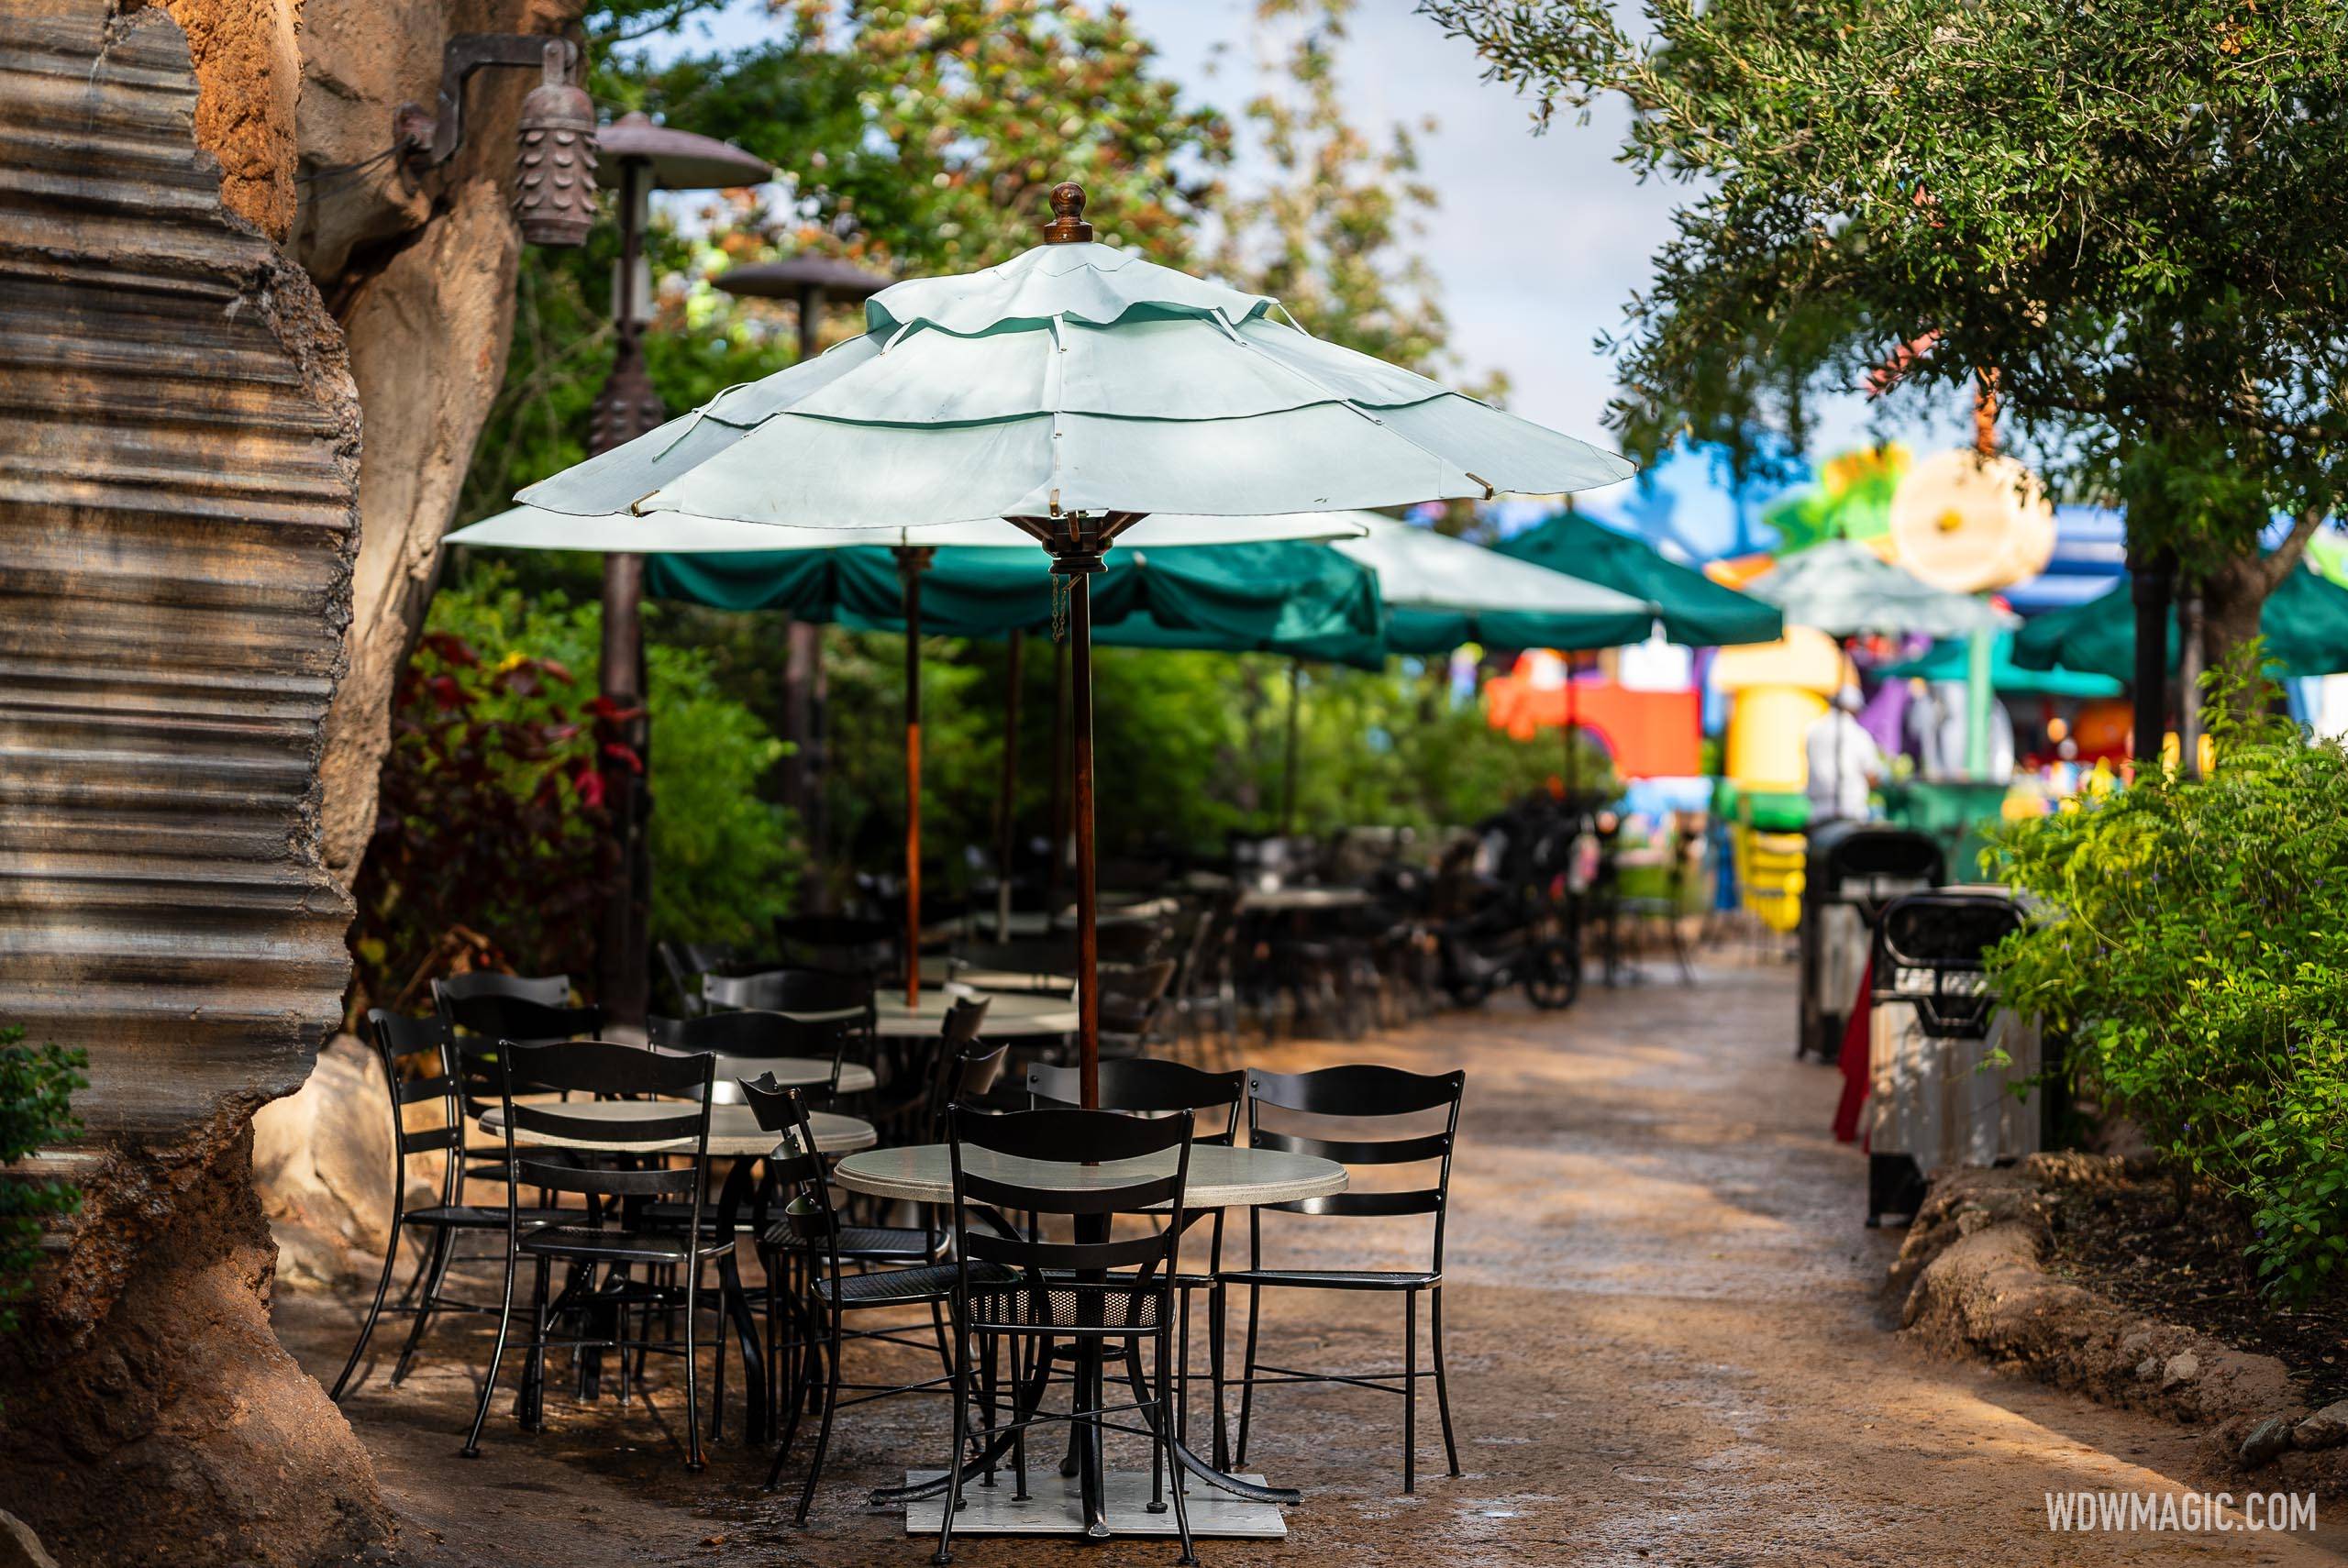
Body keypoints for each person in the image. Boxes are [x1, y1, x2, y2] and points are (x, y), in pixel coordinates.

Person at [1805, 687, 1884, 822]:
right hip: (1852, 811)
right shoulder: (1859, 735)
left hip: (1816, 812)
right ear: (1854, 709)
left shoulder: (1812, 730)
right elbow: (1872, 775)